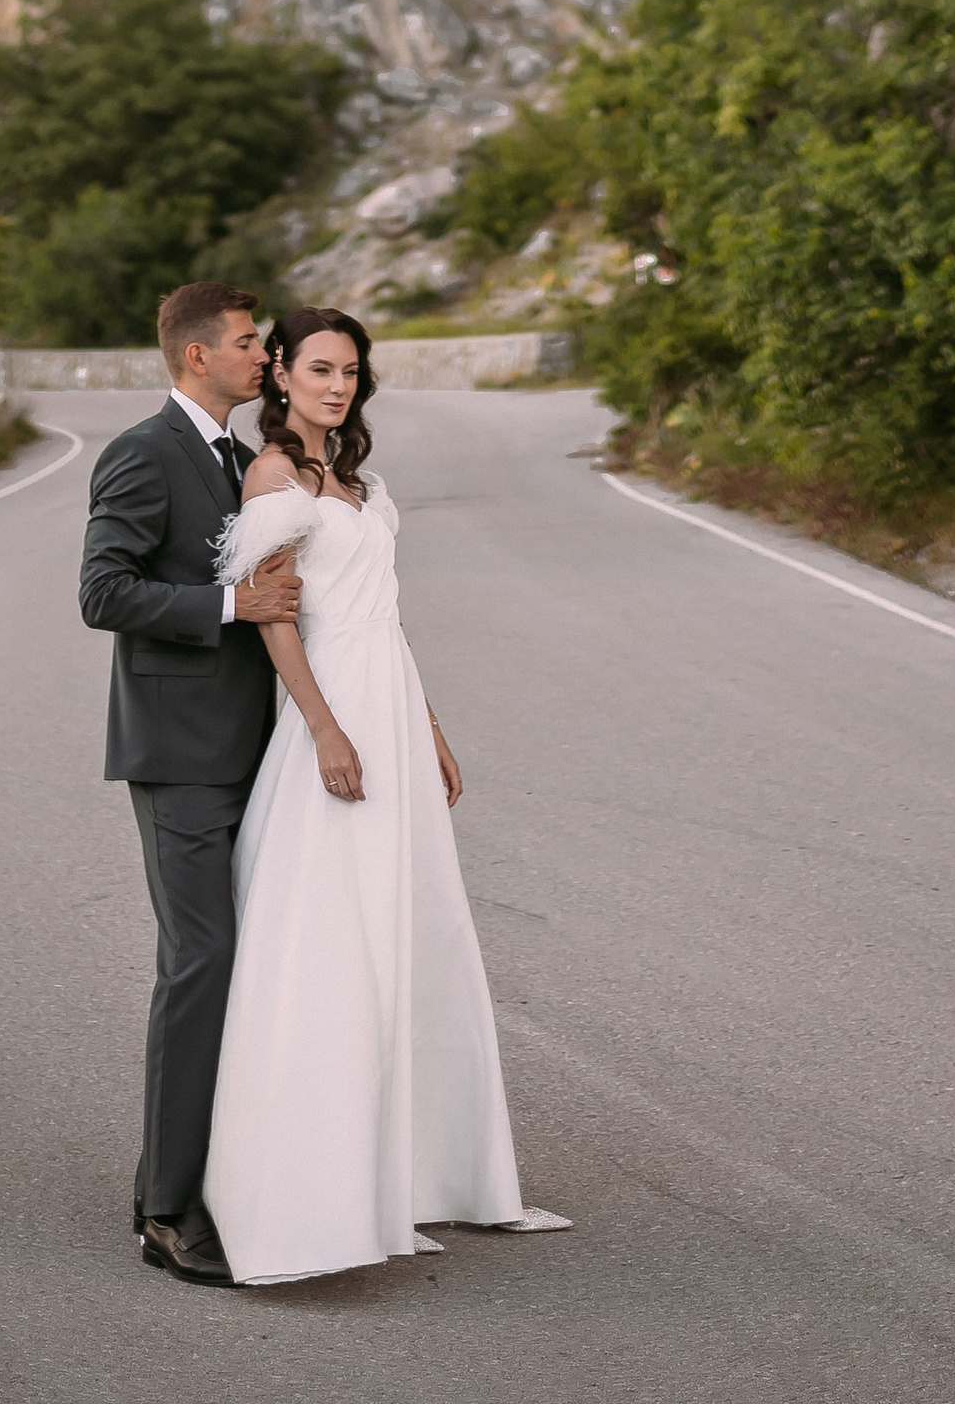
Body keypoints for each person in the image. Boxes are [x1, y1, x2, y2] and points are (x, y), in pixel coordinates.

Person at [200, 305, 567, 1286]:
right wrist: (323, 726)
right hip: (334, 711)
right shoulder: (272, 475)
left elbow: (387, 621)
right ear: (278, 372)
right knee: (336, 937)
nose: (335, 385)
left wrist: (430, 726)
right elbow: (279, 618)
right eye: (318, 367)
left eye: (350, 371)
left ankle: (420, 1170)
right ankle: (319, 1186)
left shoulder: (362, 482)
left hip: (391, 705)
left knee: (415, 930)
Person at [77, 281, 305, 1289]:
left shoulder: (235, 457)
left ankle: (175, 1179)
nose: (265, 356)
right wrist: (229, 601)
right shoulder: (142, 450)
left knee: (233, 965)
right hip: (177, 753)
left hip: (252, 750)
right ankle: (168, 1211)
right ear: (198, 355)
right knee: (200, 963)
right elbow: (103, 588)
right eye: (250, 343)